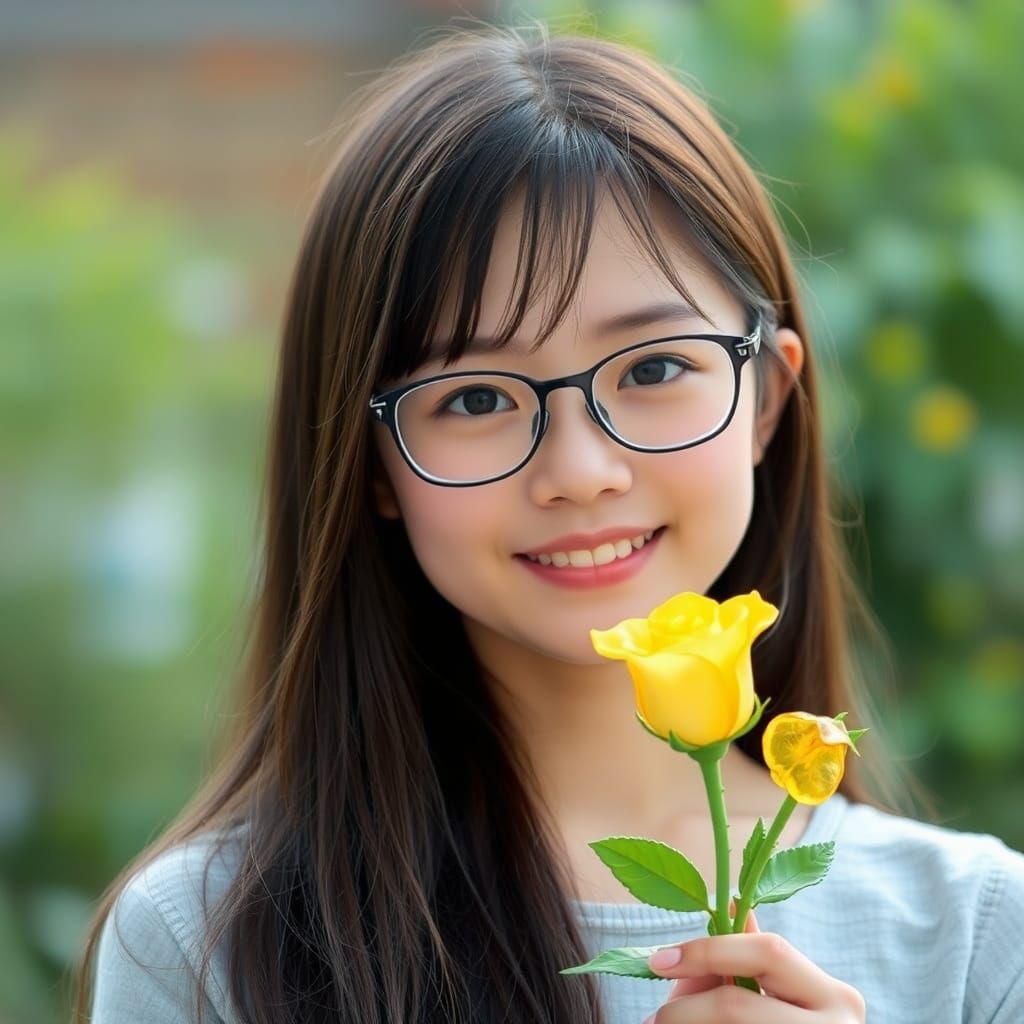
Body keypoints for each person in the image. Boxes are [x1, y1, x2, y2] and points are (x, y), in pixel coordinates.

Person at [74, 21, 1024, 1024]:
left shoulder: (975, 938)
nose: (579, 472)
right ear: (372, 464)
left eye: (655, 368)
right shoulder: (206, 943)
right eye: (476, 397)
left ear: (767, 401)